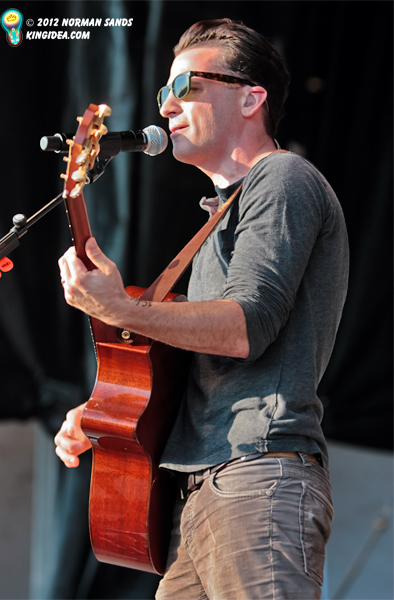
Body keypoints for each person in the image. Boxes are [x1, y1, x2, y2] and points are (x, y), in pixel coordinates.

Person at [55, 18, 349, 600]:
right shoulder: (220, 218)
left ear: (250, 98)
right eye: (163, 93)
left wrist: (122, 309)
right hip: (199, 494)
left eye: (185, 87)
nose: (167, 106)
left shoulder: (282, 177)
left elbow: (245, 327)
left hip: (257, 474)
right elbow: (189, 364)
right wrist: (103, 412)